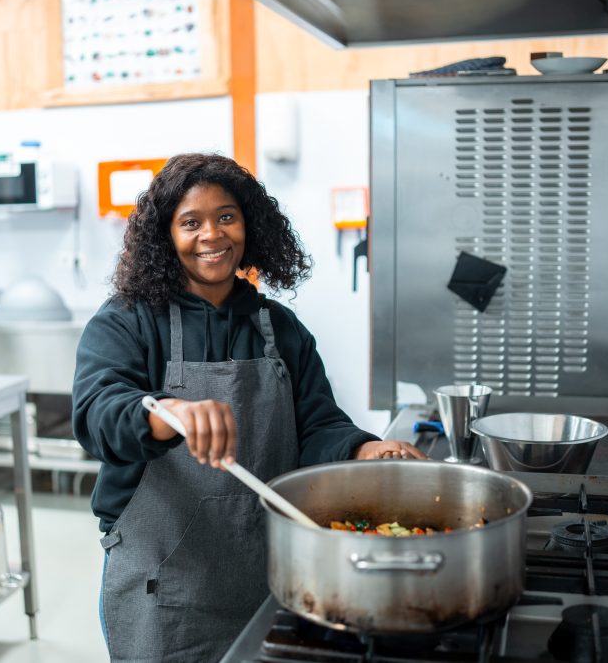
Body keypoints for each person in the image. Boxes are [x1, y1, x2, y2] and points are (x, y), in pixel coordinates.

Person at [72, 153, 424, 662]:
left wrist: (365, 448)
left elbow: (318, 424)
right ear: (164, 236)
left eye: (226, 217)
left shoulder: (280, 328)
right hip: (163, 582)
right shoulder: (127, 322)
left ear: (249, 225)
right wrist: (168, 413)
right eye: (190, 222)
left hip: (267, 570)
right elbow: (97, 413)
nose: (211, 235)